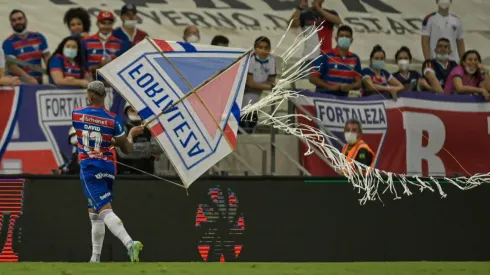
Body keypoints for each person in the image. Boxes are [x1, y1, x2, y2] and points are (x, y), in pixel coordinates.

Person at [72, 81, 144, 263]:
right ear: (105, 97)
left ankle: (130, 243)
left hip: (89, 168)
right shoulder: (114, 121)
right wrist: (131, 135)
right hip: (108, 168)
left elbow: (84, 135)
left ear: (90, 96)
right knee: (94, 213)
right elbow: (126, 149)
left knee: (104, 210)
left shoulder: (77, 114)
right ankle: (95, 258)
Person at [309, 25, 362, 97]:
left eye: (347, 36)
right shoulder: (325, 56)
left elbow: (358, 83)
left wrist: (351, 86)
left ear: (351, 40)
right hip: (323, 99)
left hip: (343, 101)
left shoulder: (355, 59)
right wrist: (329, 87)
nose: (344, 38)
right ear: (336, 39)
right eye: (341, 36)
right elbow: (312, 78)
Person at [3, 9, 49, 84]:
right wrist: (29, 79)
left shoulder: (39, 37)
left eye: (20, 19)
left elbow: (48, 59)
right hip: (20, 85)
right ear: (11, 24)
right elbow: (12, 67)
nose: (17, 22)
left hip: (39, 84)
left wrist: (55, 75)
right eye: (14, 20)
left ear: (26, 20)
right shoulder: (8, 42)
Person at [241, 36, 277, 133]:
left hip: (259, 92)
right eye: (260, 47)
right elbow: (250, 83)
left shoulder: (271, 60)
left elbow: (272, 80)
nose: (263, 50)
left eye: (266, 48)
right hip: (246, 91)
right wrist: (268, 86)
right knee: (248, 111)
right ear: (255, 48)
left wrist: (264, 85)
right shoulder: (251, 59)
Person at [82, 10, 130, 80]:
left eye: (109, 23)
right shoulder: (86, 41)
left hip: (113, 82)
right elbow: (83, 64)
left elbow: (122, 65)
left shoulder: (119, 43)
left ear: (112, 24)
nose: (106, 26)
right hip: (92, 81)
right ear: (97, 24)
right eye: (103, 23)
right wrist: (98, 66)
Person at [117, 103, 163, 174]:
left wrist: (129, 146)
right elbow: (122, 152)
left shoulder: (153, 127)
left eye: (138, 110)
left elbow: (159, 148)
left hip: (148, 174)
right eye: (132, 110)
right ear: (126, 112)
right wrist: (149, 153)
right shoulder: (120, 127)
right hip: (125, 175)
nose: (136, 113)